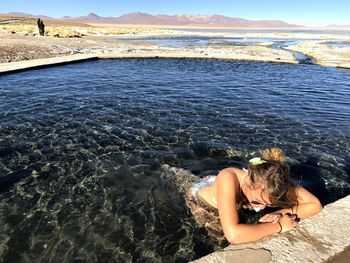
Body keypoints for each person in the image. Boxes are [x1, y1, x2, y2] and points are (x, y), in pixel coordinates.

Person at [187, 147, 322, 243]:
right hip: (201, 199)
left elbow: (315, 205)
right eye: (257, 202)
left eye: (269, 204)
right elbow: (233, 236)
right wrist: (279, 226)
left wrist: (280, 212)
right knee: (218, 237)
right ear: (249, 184)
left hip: (219, 185)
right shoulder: (229, 178)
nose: (262, 208)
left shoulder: (274, 180)